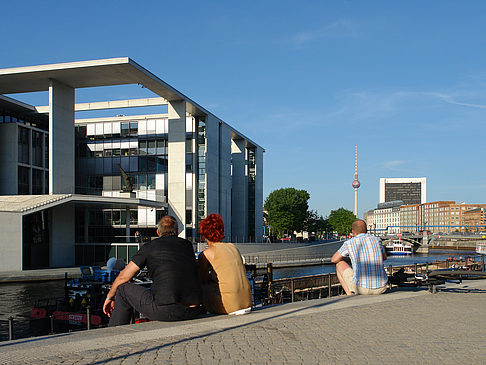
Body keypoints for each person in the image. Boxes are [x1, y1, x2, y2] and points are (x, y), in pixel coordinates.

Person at [103, 215, 202, 326]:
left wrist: (109, 297)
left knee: (122, 290)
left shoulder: (150, 247)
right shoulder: (188, 245)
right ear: (177, 231)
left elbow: (123, 277)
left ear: (157, 232)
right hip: (193, 310)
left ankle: (113, 334)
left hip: (168, 312)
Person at [198, 214, 252, 315]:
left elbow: (203, 279)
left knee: (203, 287)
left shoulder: (206, 254)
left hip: (230, 306)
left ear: (204, 234)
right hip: (247, 302)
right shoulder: (233, 247)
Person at [331, 219, 388, 295]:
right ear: (366, 230)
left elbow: (334, 259)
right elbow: (384, 257)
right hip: (381, 288)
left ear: (353, 231)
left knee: (339, 264)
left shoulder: (349, 243)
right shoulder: (377, 240)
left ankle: (349, 294)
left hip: (362, 289)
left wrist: (349, 258)